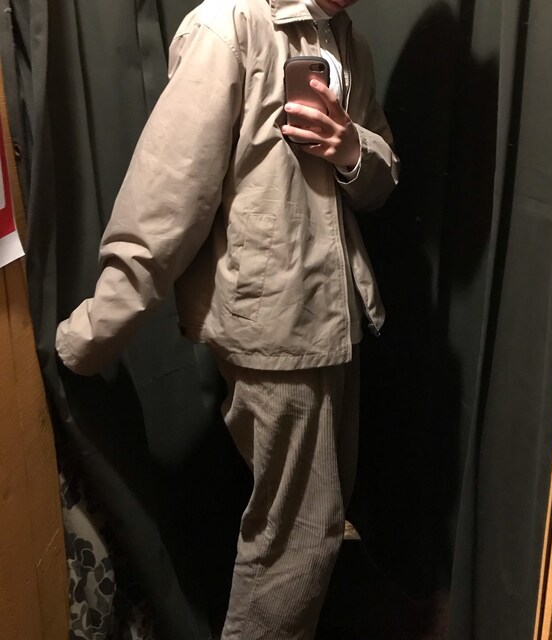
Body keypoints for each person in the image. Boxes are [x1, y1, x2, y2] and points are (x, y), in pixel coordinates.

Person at [56, 0, 399, 637]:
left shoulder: (347, 39)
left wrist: (352, 148)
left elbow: (381, 178)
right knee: (299, 541)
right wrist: (88, 338)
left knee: (309, 525)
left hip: (336, 319)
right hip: (279, 328)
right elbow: (166, 197)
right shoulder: (228, 26)